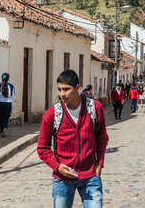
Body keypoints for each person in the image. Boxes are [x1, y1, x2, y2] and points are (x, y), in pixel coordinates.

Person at [37, 70, 109, 207]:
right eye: (59, 89)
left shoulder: (95, 108)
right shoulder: (52, 115)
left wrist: (100, 163)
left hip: (90, 176)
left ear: (77, 88)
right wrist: (57, 167)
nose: (62, 94)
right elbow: (42, 148)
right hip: (62, 179)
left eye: (66, 89)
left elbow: (102, 138)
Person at [0, 73, 15, 137]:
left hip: (0, 103)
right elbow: (12, 95)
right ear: (8, 78)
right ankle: (5, 127)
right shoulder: (11, 86)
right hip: (8, 103)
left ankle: (1, 130)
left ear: (2, 78)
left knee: (1, 117)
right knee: (6, 116)